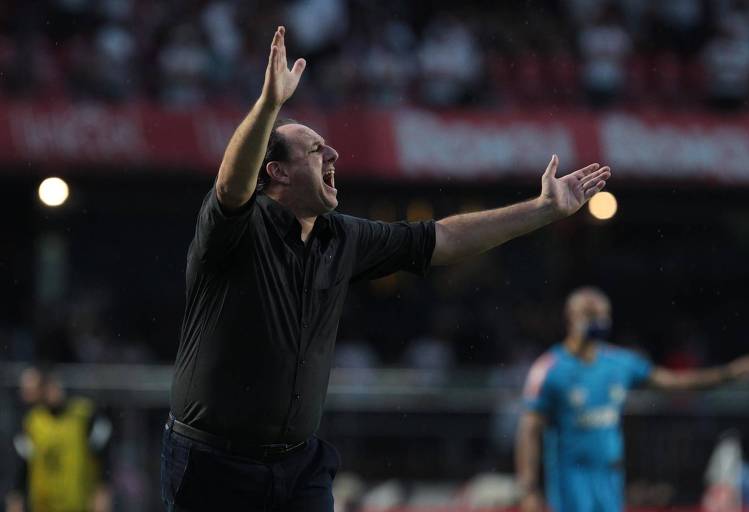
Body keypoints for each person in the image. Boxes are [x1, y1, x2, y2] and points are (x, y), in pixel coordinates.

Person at [162, 25, 612, 512]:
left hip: (297, 466)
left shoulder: (343, 236)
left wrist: (542, 210)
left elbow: (444, 237)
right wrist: (270, 104)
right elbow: (231, 185)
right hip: (214, 464)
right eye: (315, 149)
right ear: (277, 172)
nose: (333, 154)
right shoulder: (237, 227)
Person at [516, 286, 749, 512]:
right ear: (570, 317)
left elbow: (675, 382)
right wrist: (528, 489)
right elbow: (529, 429)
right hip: (571, 478)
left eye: (604, 314)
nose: (599, 321)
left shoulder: (620, 363)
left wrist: (730, 373)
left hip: (610, 476)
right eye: (590, 313)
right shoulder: (550, 369)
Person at [6, 369, 112, 512]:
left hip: (77, 502)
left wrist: (102, 490)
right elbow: (21, 465)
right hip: (43, 504)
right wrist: (16, 498)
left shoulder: (83, 415)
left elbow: (102, 454)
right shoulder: (31, 422)